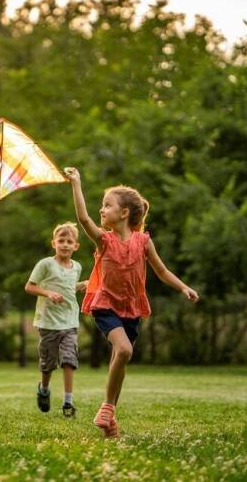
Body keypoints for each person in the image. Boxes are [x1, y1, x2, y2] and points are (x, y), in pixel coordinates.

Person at [65, 167, 199, 438]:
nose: (101, 210)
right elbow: (83, 217)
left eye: (107, 205)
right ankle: (107, 408)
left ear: (124, 213)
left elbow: (161, 271)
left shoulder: (143, 242)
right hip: (106, 304)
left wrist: (183, 287)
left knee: (120, 359)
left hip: (132, 307)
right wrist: (77, 182)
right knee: (124, 351)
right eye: (102, 206)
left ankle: (109, 418)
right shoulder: (104, 240)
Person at [25, 222, 88, 418]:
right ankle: (44, 389)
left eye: (70, 241)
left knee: (69, 360)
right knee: (48, 364)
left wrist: (81, 285)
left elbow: (68, 288)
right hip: (48, 323)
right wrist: (48, 293)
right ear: (54, 243)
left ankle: (68, 401)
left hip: (69, 323)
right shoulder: (46, 264)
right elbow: (29, 287)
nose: (65, 245)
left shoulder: (77, 267)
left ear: (76, 246)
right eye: (61, 241)